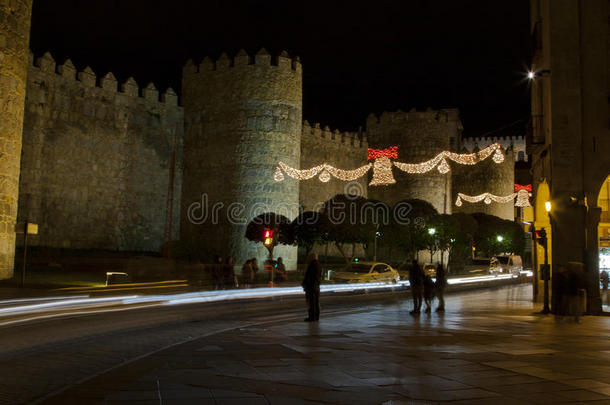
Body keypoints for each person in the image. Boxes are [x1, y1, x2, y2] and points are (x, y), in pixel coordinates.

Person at [302, 253, 322, 322]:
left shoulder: (312, 265)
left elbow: (309, 276)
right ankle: (316, 317)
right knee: (316, 302)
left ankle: (312, 317)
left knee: (311, 303)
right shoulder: (319, 265)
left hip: (311, 286)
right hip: (316, 286)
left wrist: (305, 284)